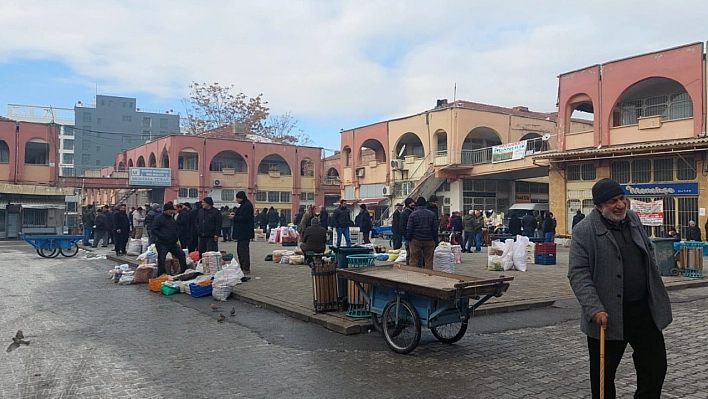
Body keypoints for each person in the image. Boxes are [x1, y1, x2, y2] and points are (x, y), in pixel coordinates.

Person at [568, 178, 672, 399]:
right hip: (607, 314)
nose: (620, 205)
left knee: (655, 367)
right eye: (613, 201)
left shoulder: (632, 219)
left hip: (644, 310)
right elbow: (578, 273)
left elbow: (647, 250)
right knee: (604, 377)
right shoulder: (584, 230)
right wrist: (594, 308)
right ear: (599, 206)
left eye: (622, 198)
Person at [150, 202, 187, 276]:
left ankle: (183, 271)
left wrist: (176, 237)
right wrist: (162, 236)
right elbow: (153, 229)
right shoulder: (158, 218)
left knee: (181, 255)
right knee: (162, 260)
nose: (172, 211)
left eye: (173, 210)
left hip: (173, 243)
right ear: (165, 210)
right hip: (162, 243)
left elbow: (175, 228)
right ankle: (162, 275)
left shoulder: (171, 218)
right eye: (171, 210)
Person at [406, 197, 437, 269]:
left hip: (416, 239)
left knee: (414, 260)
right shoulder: (432, 214)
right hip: (429, 239)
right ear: (425, 204)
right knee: (429, 260)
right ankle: (428, 276)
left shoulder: (413, 215)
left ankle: (414, 276)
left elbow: (409, 228)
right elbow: (435, 228)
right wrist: (434, 239)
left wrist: (409, 238)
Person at [231, 191, 254, 274]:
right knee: (240, 251)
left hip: (244, 232)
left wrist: (234, 217)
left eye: (238, 198)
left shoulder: (247, 205)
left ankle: (246, 267)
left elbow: (245, 218)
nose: (237, 200)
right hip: (241, 232)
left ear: (242, 198)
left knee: (243, 251)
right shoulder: (243, 205)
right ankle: (242, 266)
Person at [399, 198, 415, 264]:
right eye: (410, 203)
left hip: (414, 237)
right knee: (409, 253)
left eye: (413, 202)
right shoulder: (405, 214)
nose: (413, 204)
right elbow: (402, 226)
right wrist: (406, 236)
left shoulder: (414, 212)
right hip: (409, 237)